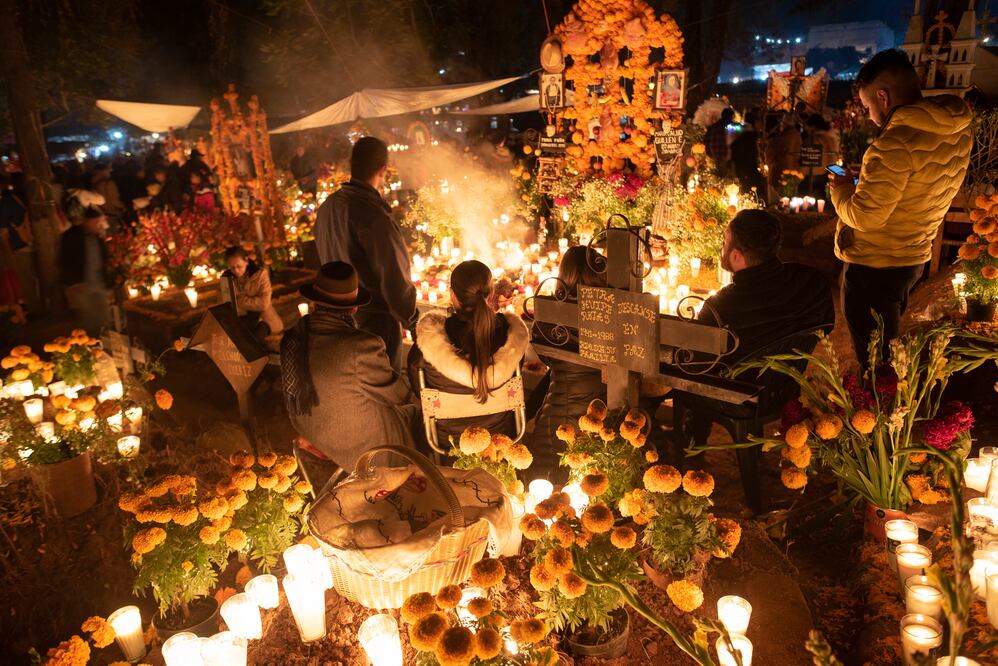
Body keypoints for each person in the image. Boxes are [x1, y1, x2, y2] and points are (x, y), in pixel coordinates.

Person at [830, 49, 972, 367]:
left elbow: (865, 216)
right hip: (912, 258)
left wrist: (841, 190)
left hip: (874, 264)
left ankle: (882, 400)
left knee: (876, 364)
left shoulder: (894, 143)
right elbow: (914, 189)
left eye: (867, 106)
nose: (869, 116)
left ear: (883, 97)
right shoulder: (957, 130)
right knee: (887, 349)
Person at [280, 261, 419, 473]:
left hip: (310, 428)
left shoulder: (292, 337)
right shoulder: (361, 347)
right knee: (415, 413)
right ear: (354, 307)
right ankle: (415, 474)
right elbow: (398, 395)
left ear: (314, 302)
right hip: (359, 447)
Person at [314, 136, 417, 368]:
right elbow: (394, 279)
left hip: (334, 317)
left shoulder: (328, 206)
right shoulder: (373, 216)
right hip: (373, 321)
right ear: (383, 169)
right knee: (382, 380)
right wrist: (414, 322)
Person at [407, 260, 529, 447]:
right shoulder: (511, 336)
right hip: (501, 438)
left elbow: (419, 390)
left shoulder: (428, 344)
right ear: (491, 293)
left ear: (452, 295)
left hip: (450, 442)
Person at [697, 209, 834, 360]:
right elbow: (825, 328)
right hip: (788, 373)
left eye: (724, 242)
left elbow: (696, 363)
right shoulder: (814, 283)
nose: (722, 247)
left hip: (736, 375)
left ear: (736, 256)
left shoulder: (717, 310)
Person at [525, 246, 607, 482]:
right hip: (599, 417)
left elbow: (544, 358)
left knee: (548, 483)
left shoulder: (550, 313)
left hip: (557, 414)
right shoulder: (611, 315)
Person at [60, 207, 110, 335]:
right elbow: (65, 261)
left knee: (103, 316)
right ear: (87, 221)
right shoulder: (71, 237)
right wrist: (73, 283)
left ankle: (104, 339)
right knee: (87, 319)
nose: (97, 225)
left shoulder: (97, 238)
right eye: (95, 222)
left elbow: (103, 260)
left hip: (97, 283)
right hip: (81, 285)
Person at [220, 246, 282, 337]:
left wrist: (238, 301)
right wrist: (250, 302)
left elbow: (264, 303)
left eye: (239, 266)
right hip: (240, 320)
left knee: (256, 337)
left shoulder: (260, 275)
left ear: (246, 261)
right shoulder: (226, 279)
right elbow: (225, 305)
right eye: (232, 267)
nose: (236, 270)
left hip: (264, 319)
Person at [0, 175, 36, 312]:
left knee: (27, 280)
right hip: (34, 240)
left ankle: (35, 309)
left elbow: (3, 232)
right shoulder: (24, 198)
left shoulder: (5, 203)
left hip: (19, 244)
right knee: (37, 276)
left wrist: (9, 252)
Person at [730, 108, 767, 201]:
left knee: (746, 186)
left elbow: (734, 148)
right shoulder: (750, 135)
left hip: (742, 166)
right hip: (748, 165)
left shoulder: (741, 133)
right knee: (752, 185)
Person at [766, 111, 802, 194]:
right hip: (794, 173)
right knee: (791, 195)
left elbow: (770, 155)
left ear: (783, 124)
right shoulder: (797, 136)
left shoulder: (779, 138)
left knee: (777, 197)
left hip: (779, 173)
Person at [804, 114, 839, 196]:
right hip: (823, 172)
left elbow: (807, 156)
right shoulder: (829, 136)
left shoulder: (816, 138)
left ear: (813, 126)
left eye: (808, 126)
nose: (807, 129)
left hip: (815, 172)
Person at [705, 108, 735, 175]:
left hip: (716, 157)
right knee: (729, 178)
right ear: (731, 116)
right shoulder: (733, 128)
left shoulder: (713, 127)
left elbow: (706, 141)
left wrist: (711, 155)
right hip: (729, 159)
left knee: (718, 176)